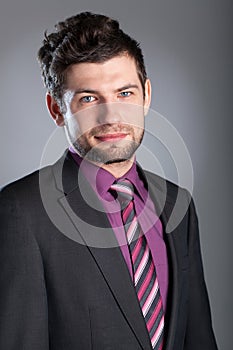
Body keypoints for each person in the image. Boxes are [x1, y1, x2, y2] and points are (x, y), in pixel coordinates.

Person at [0, 12, 218, 350]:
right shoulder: (22, 212)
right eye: (88, 99)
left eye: (125, 93)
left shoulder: (178, 205)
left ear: (146, 95)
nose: (111, 116)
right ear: (57, 110)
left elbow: (198, 338)